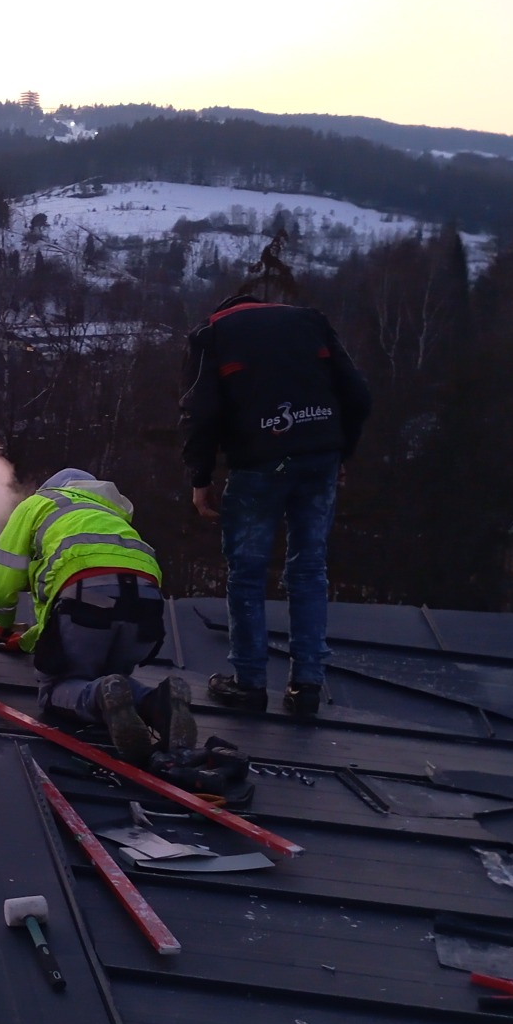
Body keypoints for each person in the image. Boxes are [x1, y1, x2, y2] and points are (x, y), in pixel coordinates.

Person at [183, 276, 372, 719]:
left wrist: (200, 476)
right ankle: (307, 686)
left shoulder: (212, 334)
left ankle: (249, 683)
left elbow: (200, 412)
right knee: (309, 568)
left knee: (247, 572)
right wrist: (341, 451)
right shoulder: (311, 322)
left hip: (259, 463)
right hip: (320, 455)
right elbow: (359, 395)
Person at [0, 469, 196, 763]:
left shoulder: (39, 503)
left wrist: (1, 627)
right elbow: (58, 621)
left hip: (86, 595)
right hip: (146, 602)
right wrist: (29, 640)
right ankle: (159, 702)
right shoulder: (111, 516)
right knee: (109, 681)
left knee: (58, 686)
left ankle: (98, 697)